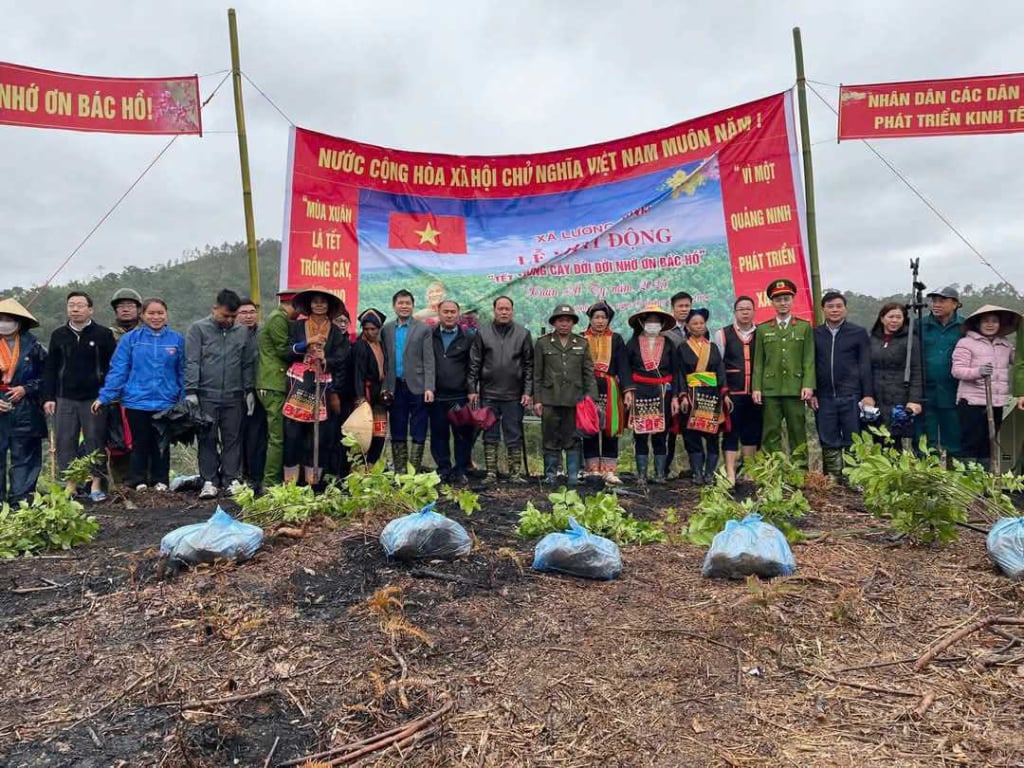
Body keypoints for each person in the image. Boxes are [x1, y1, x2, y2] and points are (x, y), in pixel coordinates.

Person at [93, 298, 185, 492]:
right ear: (142, 315)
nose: (156, 317)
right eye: (151, 313)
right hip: (136, 401)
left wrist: (184, 398)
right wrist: (105, 396)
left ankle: (161, 481)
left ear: (166, 314)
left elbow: (183, 371)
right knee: (138, 442)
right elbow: (119, 369)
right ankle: (138, 480)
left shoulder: (176, 340)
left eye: (160, 313)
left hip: (166, 401)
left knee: (161, 443)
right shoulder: (130, 339)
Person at [42, 291, 116, 501]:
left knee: (95, 440)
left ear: (90, 309)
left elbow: (113, 367)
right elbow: (51, 368)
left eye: (80, 305)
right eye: (71, 305)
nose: (75, 309)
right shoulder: (59, 335)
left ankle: (96, 483)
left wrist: (106, 395)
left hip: (94, 397)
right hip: (65, 397)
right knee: (65, 441)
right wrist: (48, 397)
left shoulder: (103, 334)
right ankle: (71, 484)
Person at [186, 289, 255, 499]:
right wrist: (191, 390)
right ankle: (209, 480)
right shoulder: (198, 329)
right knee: (207, 438)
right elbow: (192, 361)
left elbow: (247, 363)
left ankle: (231, 478)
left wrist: (249, 390)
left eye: (233, 316)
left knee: (232, 438)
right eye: (225, 315)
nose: (229, 320)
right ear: (215, 309)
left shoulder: (241, 331)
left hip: (234, 395)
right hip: (206, 393)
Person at [282, 289, 347, 485]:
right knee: (292, 434)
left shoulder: (335, 332)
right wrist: (306, 345)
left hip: (324, 387)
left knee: (318, 437)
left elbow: (342, 357)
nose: (319, 305)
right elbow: (286, 351)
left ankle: (313, 484)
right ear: (309, 305)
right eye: (315, 302)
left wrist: (326, 358)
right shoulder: (297, 326)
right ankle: (290, 485)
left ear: (329, 306)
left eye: (323, 302)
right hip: (298, 384)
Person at [467, 296, 534, 484]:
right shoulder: (483, 333)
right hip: (489, 394)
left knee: (514, 434)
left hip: (514, 395)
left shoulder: (523, 333)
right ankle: (491, 473)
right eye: (500, 308)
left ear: (512, 311)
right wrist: (472, 389)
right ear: (494, 310)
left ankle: (515, 474)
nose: (504, 312)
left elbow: (529, 365)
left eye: (507, 309)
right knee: (490, 434)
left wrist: (527, 391)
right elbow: (474, 363)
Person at [811, 291, 873, 480]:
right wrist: (812, 393)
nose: (835, 310)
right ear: (823, 310)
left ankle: (853, 478)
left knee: (852, 438)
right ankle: (833, 479)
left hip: (852, 395)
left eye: (839, 306)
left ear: (845, 309)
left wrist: (868, 394)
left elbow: (865, 365)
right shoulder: (815, 334)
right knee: (828, 439)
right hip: (824, 396)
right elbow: (810, 364)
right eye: (830, 306)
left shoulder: (858, 332)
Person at [752, 279, 815, 466]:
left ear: (792, 300)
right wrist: (756, 388)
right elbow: (759, 362)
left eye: (786, 299)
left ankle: (800, 470)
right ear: (772, 302)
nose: (783, 303)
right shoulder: (763, 329)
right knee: (770, 431)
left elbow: (808, 359)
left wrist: (808, 384)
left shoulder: (803, 327)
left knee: (797, 430)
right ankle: (774, 469)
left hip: (795, 388)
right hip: (770, 389)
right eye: (778, 299)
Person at [533, 304, 597, 486]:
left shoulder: (582, 343)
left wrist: (591, 399)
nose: (564, 324)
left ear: (573, 323)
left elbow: (588, 373)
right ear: (554, 322)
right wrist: (537, 400)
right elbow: (537, 374)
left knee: (573, 438)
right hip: (550, 398)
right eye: (560, 320)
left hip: (574, 399)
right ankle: (551, 475)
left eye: (568, 320)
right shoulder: (543, 343)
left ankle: (573, 475)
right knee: (550, 437)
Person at [951, 305, 1019, 471]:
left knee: (989, 444)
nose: (990, 324)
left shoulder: (1005, 345)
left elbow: (1018, 361)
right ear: (978, 324)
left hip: (996, 403)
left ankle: (986, 482)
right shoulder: (966, 342)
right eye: (986, 321)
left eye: (994, 321)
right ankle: (968, 482)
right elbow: (957, 370)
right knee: (970, 444)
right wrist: (977, 372)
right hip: (972, 403)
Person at [623, 305, 680, 484]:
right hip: (640, 390)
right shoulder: (632, 343)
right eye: (649, 321)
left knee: (660, 433)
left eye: (656, 321)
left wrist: (676, 396)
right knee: (640, 433)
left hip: (663, 392)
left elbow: (676, 371)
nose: (653, 324)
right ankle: (641, 475)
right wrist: (629, 391)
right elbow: (625, 369)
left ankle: (660, 474)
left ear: (662, 323)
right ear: (642, 322)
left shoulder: (670, 344)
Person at [382, 290, 435, 473]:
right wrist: (385, 387)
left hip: (418, 386)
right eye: (400, 303)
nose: (404, 306)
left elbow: (429, 360)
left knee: (419, 427)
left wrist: (429, 387)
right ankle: (400, 470)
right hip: (394, 386)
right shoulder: (386, 329)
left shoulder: (423, 329)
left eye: (408, 303)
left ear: (413, 306)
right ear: (394, 306)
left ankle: (414, 469)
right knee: (397, 425)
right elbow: (385, 359)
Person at [0, 299, 47, 505]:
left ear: (19, 322)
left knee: (25, 457)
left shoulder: (34, 346)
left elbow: (48, 376)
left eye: (8, 319)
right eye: (0, 319)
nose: (4, 323)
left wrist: (26, 389)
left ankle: (21, 503)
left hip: (26, 409)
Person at [677, 309, 730, 485]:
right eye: (694, 323)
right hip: (692, 396)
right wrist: (683, 396)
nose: (698, 326)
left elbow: (720, 372)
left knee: (712, 435)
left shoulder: (712, 347)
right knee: (691, 435)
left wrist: (724, 394)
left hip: (711, 396)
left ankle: (709, 473)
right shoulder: (683, 348)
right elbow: (679, 373)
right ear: (688, 326)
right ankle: (697, 473)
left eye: (701, 323)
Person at [714, 296, 761, 484]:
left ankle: (749, 471)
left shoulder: (762, 333)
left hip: (755, 393)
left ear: (753, 311)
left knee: (752, 432)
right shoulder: (722, 334)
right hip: (732, 394)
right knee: (731, 432)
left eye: (748, 309)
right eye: (741, 309)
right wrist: (724, 392)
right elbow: (718, 366)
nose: (745, 312)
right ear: (735, 312)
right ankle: (730, 472)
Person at [427, 300, 474, 483]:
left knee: (462, 435)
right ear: (439, 313)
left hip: (460, 396)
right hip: (436, 396)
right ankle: (443, 469)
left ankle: (460, 469)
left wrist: (471, 390)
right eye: (445, 311)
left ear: (458, 313)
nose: (449, 315)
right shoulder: (430, 336)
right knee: (439, 435)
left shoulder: (468, 337)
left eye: (452, 312)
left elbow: (473, 367)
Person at [582, 301, 627, 483]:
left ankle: (609, 471)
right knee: (589, 426)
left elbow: (623, 366)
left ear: (608, 320)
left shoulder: (616, 339)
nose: (600, 321)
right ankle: (592, 470)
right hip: (588, 387)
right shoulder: (581, 338)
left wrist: (628, 390)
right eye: (596, 317)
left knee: (610, 427)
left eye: (603, 317)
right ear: (590, 319)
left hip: (610, 387)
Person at [257, 291, 298, 487]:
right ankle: (270, 482)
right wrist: (305, 346)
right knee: (277, 436)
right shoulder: (277, 319)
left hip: (278, 383)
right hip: (273, 383)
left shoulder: (280, 319)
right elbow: (283, 350)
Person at [869, 303, 924, 446]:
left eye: (898, 317)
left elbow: (917, 370)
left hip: (900, 394)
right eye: (891, 316)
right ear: (882, 318)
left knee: (895, 437)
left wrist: (914, 399)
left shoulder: (910, 340)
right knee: (877, 436)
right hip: (877, 394)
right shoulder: (872, 339)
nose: (894, 320)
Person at [920, 286, 964, 458]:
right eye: (934, 301)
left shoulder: (965, 327)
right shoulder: (920, 325)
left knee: (954, 439)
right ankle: (927, 479)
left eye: (942, 301)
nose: (936, 305)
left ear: (955, 304)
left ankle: (956, 480)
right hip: (925, 391)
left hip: (954, 391)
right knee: (926, 442)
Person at [236, 298, 267, 487]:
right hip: (234, 392)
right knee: (236, 436)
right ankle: (237, 474)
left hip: (259, 391)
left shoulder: (263, 334)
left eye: (252, 312)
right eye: (244, 313)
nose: (249, 316)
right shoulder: (232, 334)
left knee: (257, 435)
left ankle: (256, 475)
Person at [352, 308, 389, 465]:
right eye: (366, 329)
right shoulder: (361, 346)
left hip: (379, 395)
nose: (369, 332)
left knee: (379, 434)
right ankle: (359, 470)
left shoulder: (381, 345)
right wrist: (360, 397)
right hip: (366, 395)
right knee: (363, 435)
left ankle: (373, 469)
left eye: (373, 329)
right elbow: (357, 374)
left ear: (379, 329)